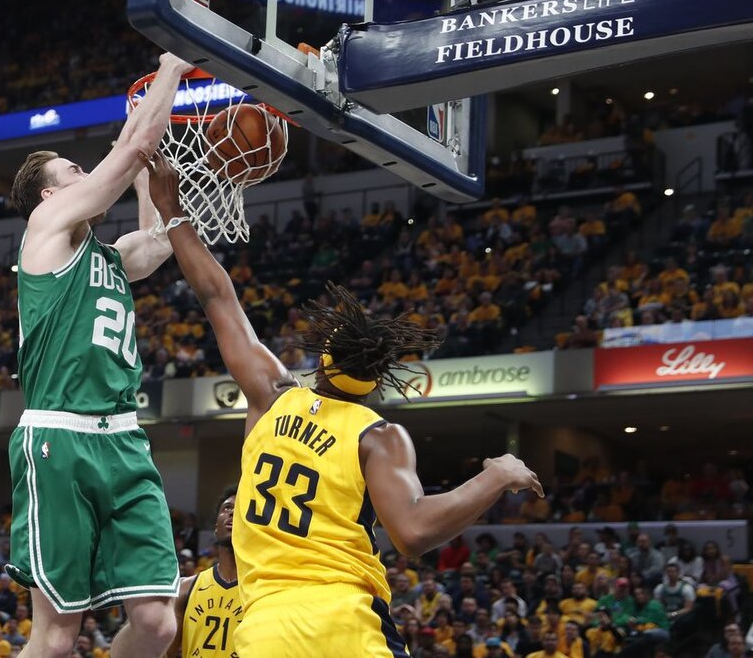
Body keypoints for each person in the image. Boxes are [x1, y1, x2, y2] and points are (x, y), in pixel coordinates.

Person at [142, 152, 543, 658]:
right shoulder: (377, 435)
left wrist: (172, 208)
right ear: (376, 382)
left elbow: (217, 296)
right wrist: (498, 473)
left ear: (324, 361)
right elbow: (414, 532)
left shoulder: (272, 395)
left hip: (265, 628)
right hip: (346, 624)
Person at [3, 53, 193, 658]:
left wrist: (147, 180)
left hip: (124, 439)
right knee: (57, 638)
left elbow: (159, 241)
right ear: (53, 193)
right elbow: (132, 145)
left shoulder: (107, 258)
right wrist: (172, 64)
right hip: (60, 437)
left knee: (159, 624)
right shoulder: (46, 225)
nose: (87, 172)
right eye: (74, 169)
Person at [165, 486, 241, 658]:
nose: (232, 513)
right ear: (216, 527)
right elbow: (165, 653)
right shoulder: (185, 589)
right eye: (227, 508)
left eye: (241, 507)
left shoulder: (262, 591)